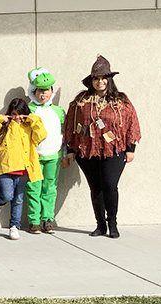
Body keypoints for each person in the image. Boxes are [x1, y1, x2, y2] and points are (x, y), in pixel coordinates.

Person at [63, 55, 141, 239]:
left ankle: (113, 223)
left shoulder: (121, 101)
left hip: (114, 149)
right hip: (87, 150)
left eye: (104, 78)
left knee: (110, 185)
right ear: (91, 81)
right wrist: (71, 150)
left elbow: (132, 123)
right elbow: (70, 125)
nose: (100, 82)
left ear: (110, 79)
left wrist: (131, 149)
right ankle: (100, 225)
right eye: (96, 78)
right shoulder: (81, 101)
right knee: (95, 187)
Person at [0, 98, 47, 240]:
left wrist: (32, 119)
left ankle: (14, 226)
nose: (17, 117)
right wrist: (0, 119)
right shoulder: (4, 126)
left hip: (24, 168)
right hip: (6, 168)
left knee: (18, 199)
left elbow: (42, 135)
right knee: (7, 195)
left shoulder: (29, 126)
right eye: (14, 114)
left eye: (20, 114)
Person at [25, 68, 66, 234]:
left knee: (50, 188)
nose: (43, 94)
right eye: (40, 91)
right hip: (34, 157)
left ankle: (47, 219)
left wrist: (65, 155)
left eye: (46, 90)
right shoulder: (28, 110)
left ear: (52, 91)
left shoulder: (59, 111)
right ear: (33, 92)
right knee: (33, 188)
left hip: (54, 156)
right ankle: (34, 220)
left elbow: (65, 133)